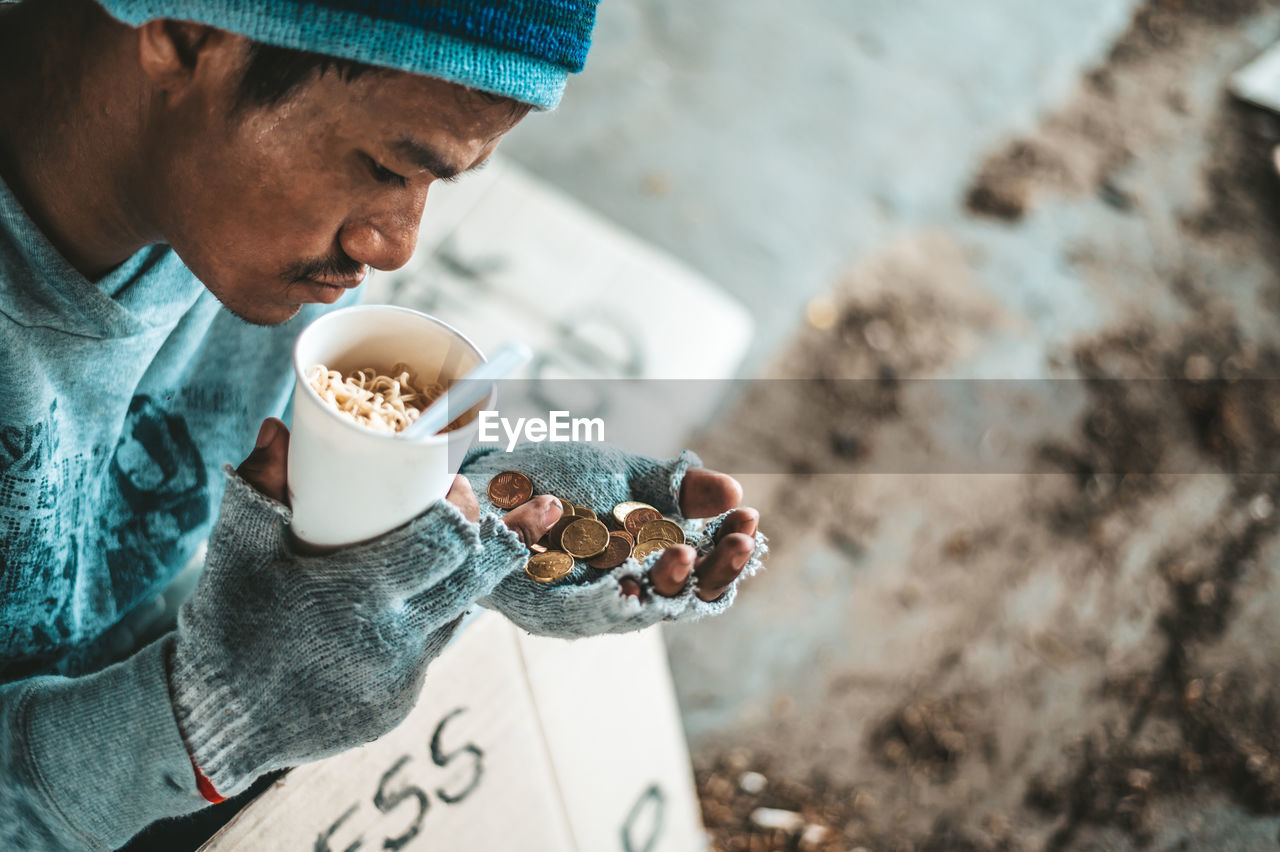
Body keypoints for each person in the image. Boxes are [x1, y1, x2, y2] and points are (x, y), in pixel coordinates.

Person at [0, 0, 767, 848]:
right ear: (190, 36)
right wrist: (200, 719)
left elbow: (232, 539)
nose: (398, 244)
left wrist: (464, 522)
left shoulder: (239, 229)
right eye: (383, 167)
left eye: (438, 183)